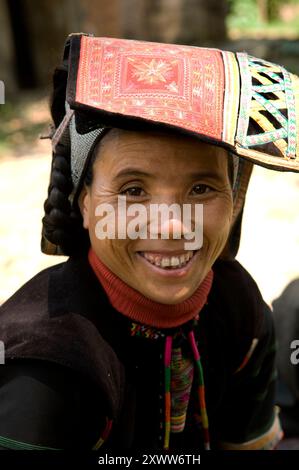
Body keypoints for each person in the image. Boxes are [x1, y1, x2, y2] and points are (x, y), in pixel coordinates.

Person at [0, 34, 298, 452]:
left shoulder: (238, 307)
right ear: (83, 201)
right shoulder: (45, 366)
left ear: (236, 199)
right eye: (134, 191)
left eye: (200, 188)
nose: (173, 226)